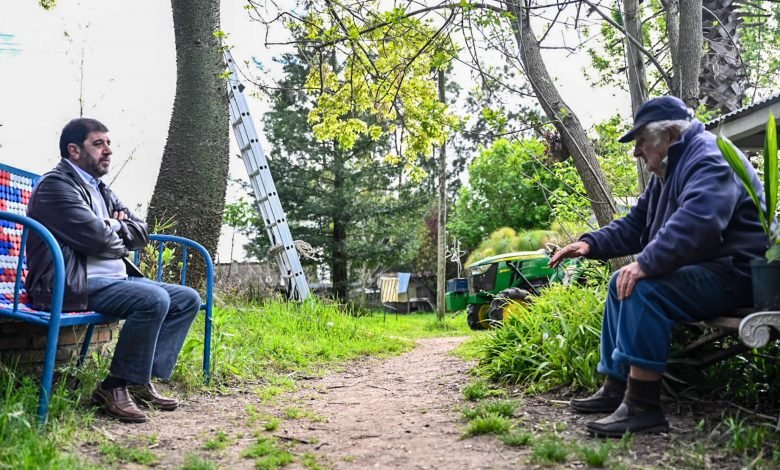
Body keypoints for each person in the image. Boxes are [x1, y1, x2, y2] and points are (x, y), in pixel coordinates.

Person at [549, 96, 766, 437]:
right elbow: (637, 223)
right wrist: (590, 244)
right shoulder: (668, 168)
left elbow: (700, 223)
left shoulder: (709, 158)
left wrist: (646, 265)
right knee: (620, 281)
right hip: (709, 269)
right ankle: (616, 388)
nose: (636, 151)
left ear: (670, 135)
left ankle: (643, 406)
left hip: (736, 273)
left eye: (641, 141)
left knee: (643, 287)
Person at [26, 118, 202, 423]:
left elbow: (141, 233)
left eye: (108, 143)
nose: (108, 150)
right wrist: (117, 229)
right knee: (153, 299)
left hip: (111, 280)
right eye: (98, 144)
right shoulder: (55, 186)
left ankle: (138, 379)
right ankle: (113, 387)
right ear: (74, 150)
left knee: (187, 299)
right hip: (70, 283)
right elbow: (97, 240)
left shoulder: (102, 190)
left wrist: (114, 226)